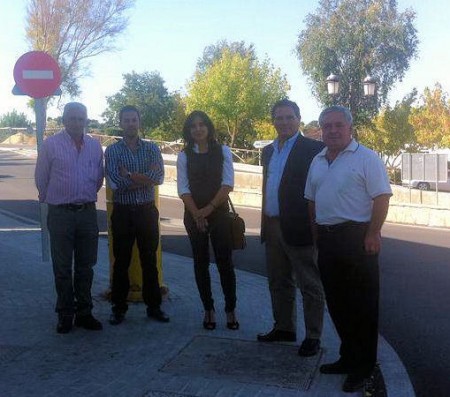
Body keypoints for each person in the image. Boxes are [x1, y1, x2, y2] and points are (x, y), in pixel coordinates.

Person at [305, 106, 392, 393]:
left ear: (349, 127)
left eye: (338, 125)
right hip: (328, 239)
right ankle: (348, 357)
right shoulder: (317, 160)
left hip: (357, 238)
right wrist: (317, 238)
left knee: (363, 307)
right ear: (320, 129)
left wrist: (373, 232)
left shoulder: (367, 158)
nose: (332, 130)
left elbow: (381, 197)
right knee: (338, 304)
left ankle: (364, 368)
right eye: (326, 126)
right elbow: (312, 201)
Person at [257, 99, 325, 357]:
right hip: (272, 223)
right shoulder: (268, 151)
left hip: (299, 227)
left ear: (298, 119)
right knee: (278, 280)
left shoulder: (313, 149)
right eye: (278, 117)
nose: (283, 122)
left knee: (309, 284)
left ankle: (313, 335)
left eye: (289, 117)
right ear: (273, 120)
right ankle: (284, 328)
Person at [35, 102, 104, 334]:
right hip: (60, 214)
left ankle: (84, 312)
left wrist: (84, 196)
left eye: (80, 118)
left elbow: (98, 178)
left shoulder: (95, 146)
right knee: (63, 267)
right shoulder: (50, 145)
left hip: (87, 213)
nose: (76, 122)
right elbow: (41, 177)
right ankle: (65, 313)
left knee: (86, 266)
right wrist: (51, 199)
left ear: (86, 120)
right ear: (63, 120)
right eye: (71, 118)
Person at [105, 105, 169, 325]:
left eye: (134, 120)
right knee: (121, 261)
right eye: (127, 120)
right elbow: (115, 183)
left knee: (149, 260)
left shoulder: (152, 149)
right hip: (122, 212)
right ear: (120, 122)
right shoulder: (112, 151)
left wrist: (130, 175)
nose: (131, 124)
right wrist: (144, 178)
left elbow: (159, 177)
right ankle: (118, 308)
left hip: (146, 211)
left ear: (139, 122)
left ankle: (154, 307)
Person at [176, 110, 239, 331]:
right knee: (200, 263)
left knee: (225, 263)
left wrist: (207, 210)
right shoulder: (184, 155)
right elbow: (183, 188)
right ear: (189, 130)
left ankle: (230, 308)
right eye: (193, 126)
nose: (198, 129)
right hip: (193, 214)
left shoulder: (223, 151)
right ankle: (208, 309)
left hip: (219, 213)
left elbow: (228, 184)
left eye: (202, 124)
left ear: (209, 127)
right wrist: (196, 214)